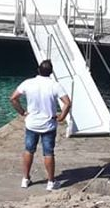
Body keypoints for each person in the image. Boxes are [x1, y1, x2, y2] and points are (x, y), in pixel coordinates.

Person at [9, 59, 72, 191]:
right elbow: (67, 103)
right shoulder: (55, 85)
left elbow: (13, 98)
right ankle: (50, 182)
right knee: (48, 153)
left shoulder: (28, 83)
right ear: (51, 72)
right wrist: (61, 117)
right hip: (48, 125)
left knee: (28, 150)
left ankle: (25, 179)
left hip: (32, 124)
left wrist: (22, 112)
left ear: (38, 70)